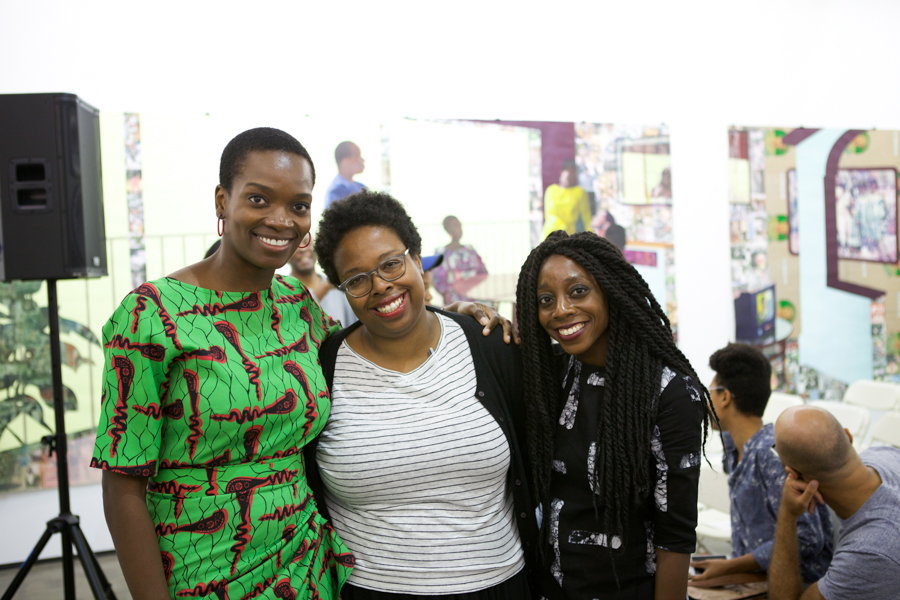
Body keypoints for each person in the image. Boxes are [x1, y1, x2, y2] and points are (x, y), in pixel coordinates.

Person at [91, 128, 500, 600]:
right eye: (259, 199)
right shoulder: (151, 315)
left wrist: (453, 319)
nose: (281, 220)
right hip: (201, 571)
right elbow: (122, 487)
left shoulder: (296, 305)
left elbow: (373, 339)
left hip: (309, 570)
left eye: (299, 206)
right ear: (223, 201)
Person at [306, 191, 537, 598]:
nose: (380, 286)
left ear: (416, 258)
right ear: (343, 290)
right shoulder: (323, 367)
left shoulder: (489, 345)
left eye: (391, 264)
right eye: (357, 279)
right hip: (371, 590)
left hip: (499, 585)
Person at [515, 230, 714, 600]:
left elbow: (676, 533)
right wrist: (469, 314)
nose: (560, 310)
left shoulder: (668, 391)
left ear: (610, 291)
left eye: (578, 291)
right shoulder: (546, 376)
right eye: (545, 299)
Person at [689, 344, 833, 585]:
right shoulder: (736, 449)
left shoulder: (771, 456)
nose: (707, 399)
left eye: (710, 391)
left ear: (725, 397)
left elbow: (808, 537)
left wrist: (729, 566)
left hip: (790, 588)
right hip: (754, 581)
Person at [769, 406, 900, 600]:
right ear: (848, 436)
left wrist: (788, 514)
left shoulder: (869, 553)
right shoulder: (887, 453)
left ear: (793, 474)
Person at [289, 245, 358, 328]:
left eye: (306, 243)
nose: (303, 249)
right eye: (296, 245)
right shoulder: (282, 291)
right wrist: (325, 287)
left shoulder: (337, 286)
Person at [431, 215, 488, 305]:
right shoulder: (441, 253)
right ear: (448, 229)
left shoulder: (470, 250)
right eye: (455, 226)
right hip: (455, 300)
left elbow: (483, 272)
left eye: (460, 226)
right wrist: (447, 295)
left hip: (476, 296)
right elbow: (437, 279)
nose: (460, 229)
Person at [542, 160, 591, 239]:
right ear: (561, 172)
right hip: (549, 234)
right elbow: (547, 215)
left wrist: (592, 238)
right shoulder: (551, 190)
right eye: (567, 172)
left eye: (573, 173)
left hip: (567, 235)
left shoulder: (580, 192)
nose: (569, 175)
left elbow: (587, 218)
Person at [324, 141, 365, 208]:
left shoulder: (361, 187)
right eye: (357, 156)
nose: (362, 160)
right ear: (345, 161)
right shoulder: (335, 191)